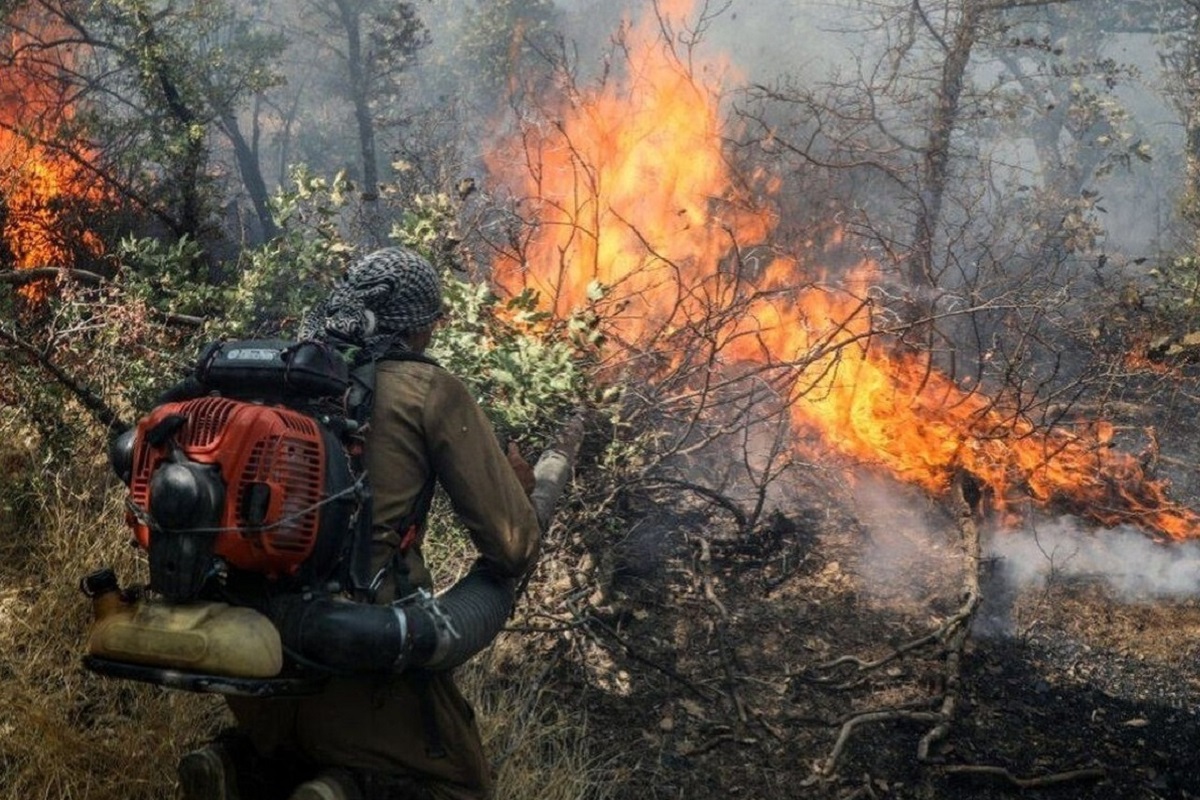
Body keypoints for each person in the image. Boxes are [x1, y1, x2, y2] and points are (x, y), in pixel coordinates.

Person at [178, 246, 542, 800]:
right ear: (417, 328)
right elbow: (511, 545)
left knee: (284, 758)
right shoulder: (428, 390)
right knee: (459, 786)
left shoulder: (270, 374)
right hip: (364, 656)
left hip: (249, 650)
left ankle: (239, 766)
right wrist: (518, 487)